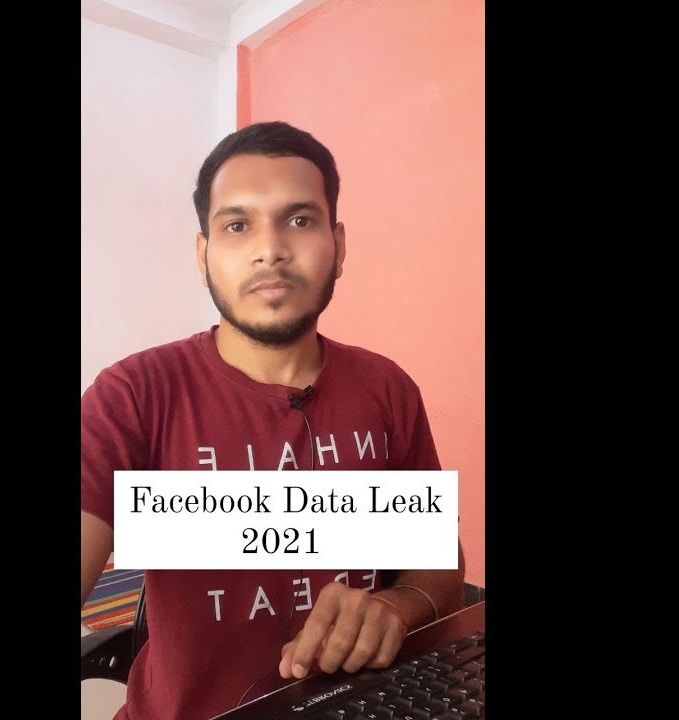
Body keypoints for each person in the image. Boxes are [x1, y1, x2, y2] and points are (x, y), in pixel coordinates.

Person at [80, 121, 465, 720]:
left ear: (339, 245)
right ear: (204, 255)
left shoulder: (387, 388)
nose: (271, 250)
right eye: (237, 225)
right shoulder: (133, 395)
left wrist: (399, 606)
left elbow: (438, 566)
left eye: (300, 220)